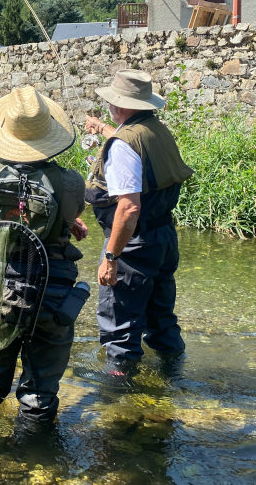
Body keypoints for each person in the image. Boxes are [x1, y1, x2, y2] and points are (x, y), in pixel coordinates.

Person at [0, 85, 89, 423]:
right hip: (52, 293)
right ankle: (38, 450)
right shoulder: (71, 182)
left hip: (1, 291)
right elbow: (69, 213)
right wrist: (69, 222)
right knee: (40, 394)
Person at [84, 69, 193, 378]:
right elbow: (129, 142)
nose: (109, 105)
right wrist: (102, 128)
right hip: (163, 238)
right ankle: (175, 379)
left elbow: (129, 208)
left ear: (120, 105)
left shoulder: (123, 145)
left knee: (119, 328)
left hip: (133, 246)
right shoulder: (155, 130)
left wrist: (111, 258)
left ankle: (117, 397)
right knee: (161, 320)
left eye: (111, 101)